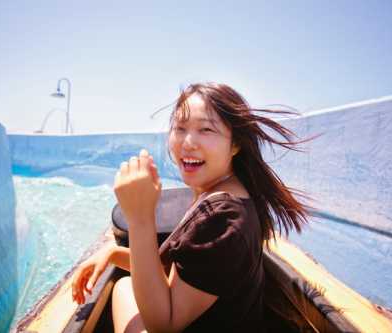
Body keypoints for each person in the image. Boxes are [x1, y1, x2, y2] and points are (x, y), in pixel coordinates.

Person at [71, 83, 310, 332]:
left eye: (206, 129)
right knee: (125, 287)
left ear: (236, 143)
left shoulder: (222, 219)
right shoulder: (224, 196)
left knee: (123, 289)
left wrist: (140, 218)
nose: (187, 142)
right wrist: (112, 253)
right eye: (180, 128)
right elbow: (175, 274)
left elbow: (163, 325)